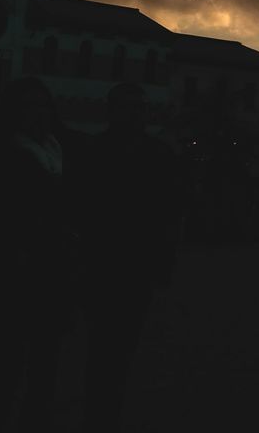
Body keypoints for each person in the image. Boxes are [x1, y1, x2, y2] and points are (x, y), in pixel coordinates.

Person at [75, 82, 180, 432]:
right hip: (103, 264)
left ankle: (104, 413)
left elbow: (169, 213)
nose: (134, 115)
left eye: (138, 109)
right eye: (128, 108)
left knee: (118, 347)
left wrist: (161, 264)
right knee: (106, 346)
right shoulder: (97, 151)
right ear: (114, 110)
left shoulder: (156, 154)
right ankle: (100, 415)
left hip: (135, 266)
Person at [0, 77, 78, 432]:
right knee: (8, 368)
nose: (37, 112)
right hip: (13, 275)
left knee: (45, 368)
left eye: (42, 105)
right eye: (29, 105)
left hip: (53, 274)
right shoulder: (1, 153)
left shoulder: (59, 150)